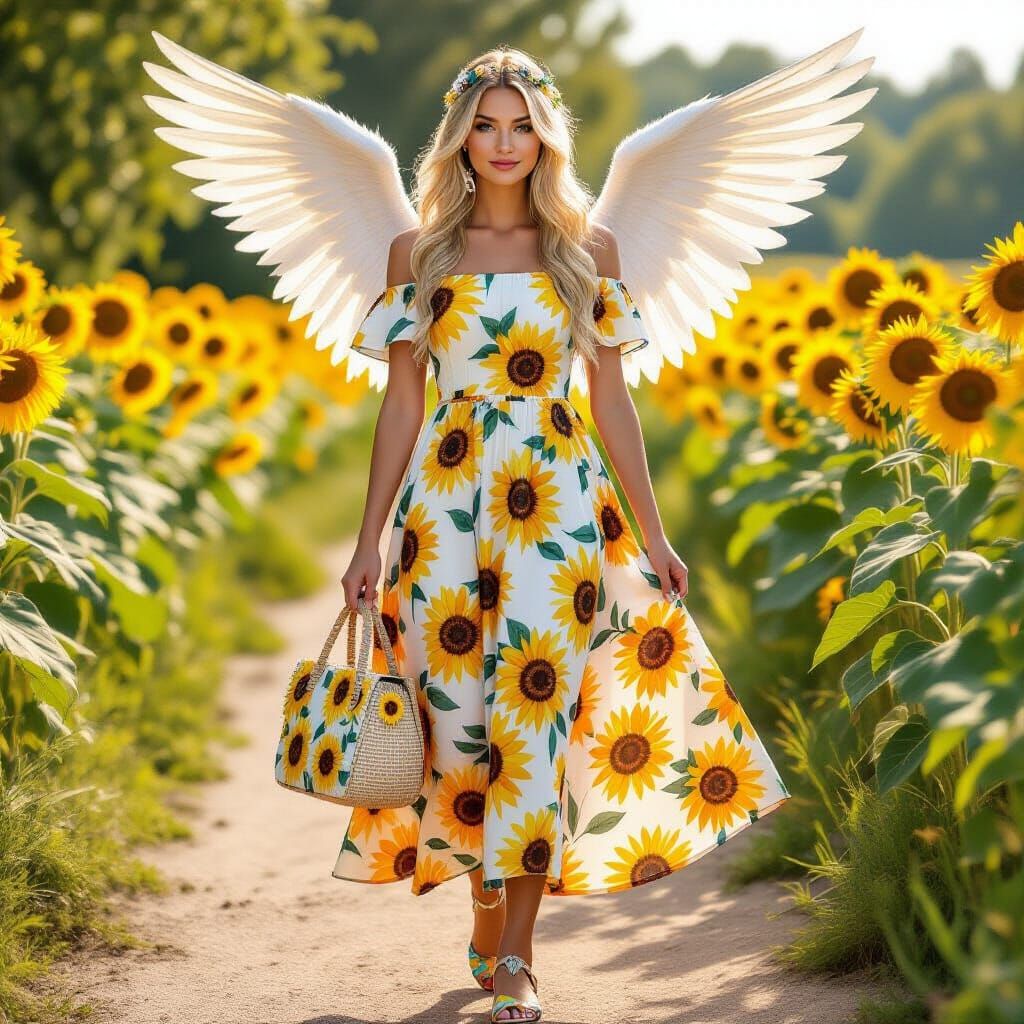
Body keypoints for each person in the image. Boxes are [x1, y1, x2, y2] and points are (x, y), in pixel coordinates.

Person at [143, 31, 873, 1022]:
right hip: (440, 518)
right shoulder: (419, 253)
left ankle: (520, 956)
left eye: (519, 126)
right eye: (483, 126)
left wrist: (652, 534)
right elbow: (400, 405)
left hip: (561, 513)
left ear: (544, 139)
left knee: (534, 717)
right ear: (457, 138)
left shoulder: (588, 250)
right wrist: (366, 542)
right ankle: (488, 910)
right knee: (458, 728)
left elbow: (612, 400)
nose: (500, 142)